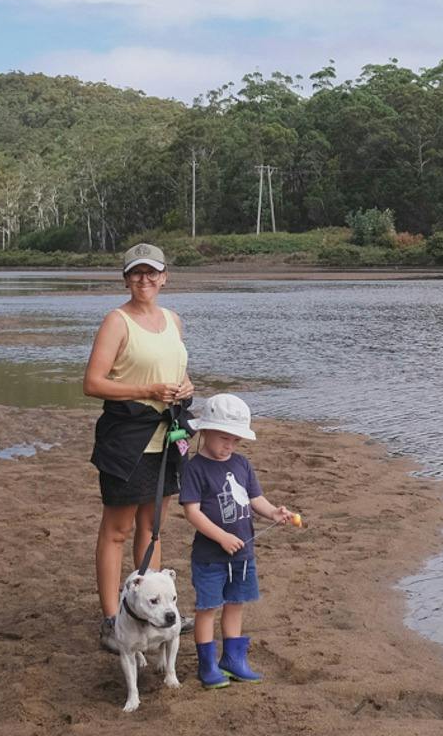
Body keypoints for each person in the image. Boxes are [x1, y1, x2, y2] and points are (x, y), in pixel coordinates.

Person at [84, 241, 194, 656]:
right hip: (126, 436)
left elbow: (177, 371)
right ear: (126, 279)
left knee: (153, 528)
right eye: (136, 273)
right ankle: (113, 621)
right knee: (118, 530)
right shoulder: (116, 322)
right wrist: (147, 389)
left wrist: (187, 386)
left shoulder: (173, 320)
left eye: (152, 272)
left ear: (165, 277)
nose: (144, 279)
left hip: (167, 435)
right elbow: (93, 383)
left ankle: (155, 608)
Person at [179, 392, 298, 687]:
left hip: (243, 554)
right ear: (205, 431)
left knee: (236, 603)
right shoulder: (195, 468)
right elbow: (192, 512)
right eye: (223, 438)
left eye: (235, 440)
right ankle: (207, 665)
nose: (229, 445)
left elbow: (255, 498)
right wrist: (221, 537)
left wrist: (273, 513)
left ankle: (233, 659)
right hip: (210, 556)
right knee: (207, 608)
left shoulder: (242, 464)